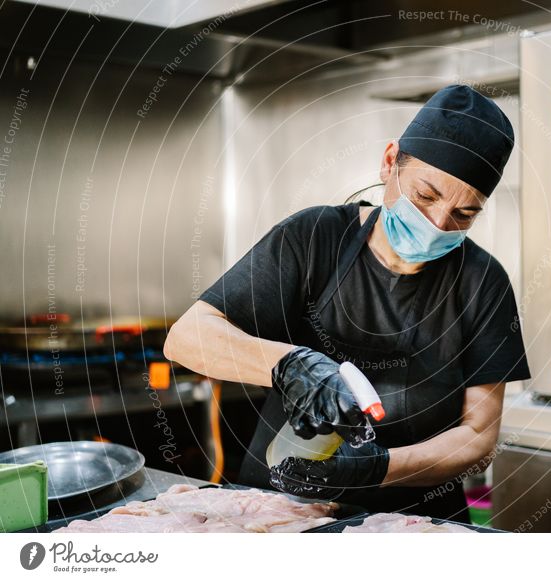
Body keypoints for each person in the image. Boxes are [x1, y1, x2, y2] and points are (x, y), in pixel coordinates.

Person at [163, 84, 530, 523]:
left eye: (464, 214)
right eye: (425, 196)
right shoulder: (313, 238)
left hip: (413, 525)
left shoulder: (483, 283)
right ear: (390, 161)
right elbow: (186, 337)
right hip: (278, 509)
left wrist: (378, 470)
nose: (437, 224)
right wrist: (289, 365)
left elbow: (478, 440)